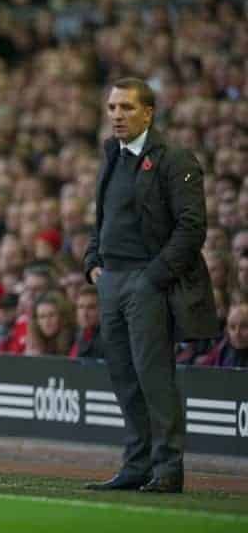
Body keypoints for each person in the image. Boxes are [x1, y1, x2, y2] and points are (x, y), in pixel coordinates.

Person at [84, 78, 218, 493]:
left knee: (153, 375)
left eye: (126, 108)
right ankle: (137, 463)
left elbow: (192, 227)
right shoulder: (113, 155)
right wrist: (93, 261)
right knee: (124, 376)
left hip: (147, 280)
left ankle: (167, 467)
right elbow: (103, 217)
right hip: (112, 279)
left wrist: (154, 277)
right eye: (112, 108)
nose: (117, 116)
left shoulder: (174, 160)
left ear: (148, 112)